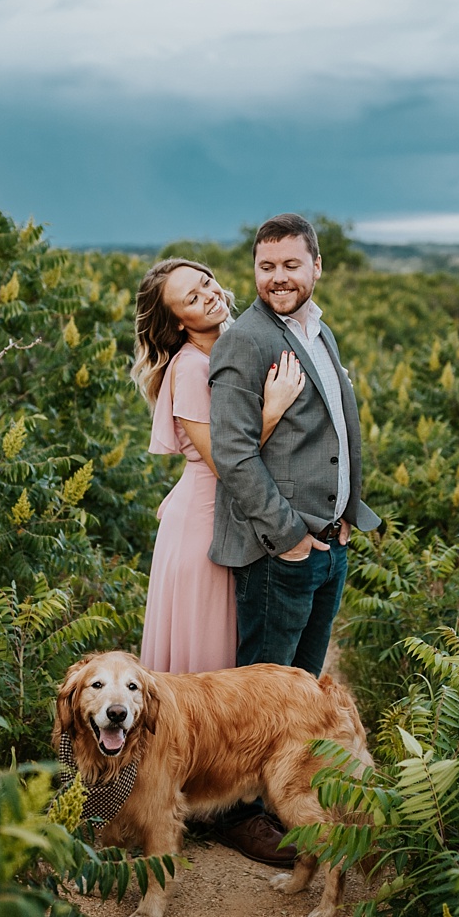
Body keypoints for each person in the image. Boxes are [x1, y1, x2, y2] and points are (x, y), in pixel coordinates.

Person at [204, 213, 380, 863]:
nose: (278, 277)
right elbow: (234, 454)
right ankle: (239, 813)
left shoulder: (318, 329)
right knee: (261, 693)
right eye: (266, 266)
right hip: (283, 553)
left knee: (302, 687)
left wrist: (345, 521)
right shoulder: (244, 342)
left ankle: (290, 793)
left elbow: (334, 430)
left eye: (290, 265)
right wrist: (290, 539)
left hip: (329, 544)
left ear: (315, 266)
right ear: (255, 270)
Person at [131, 257, 306, 676]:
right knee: (209, 664)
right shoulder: (191, 368)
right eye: (192, 298)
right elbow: (226, 459)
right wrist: (274, 409)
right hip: (203, 526)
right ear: (177, 322)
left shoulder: (232, 345)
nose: (209, 295)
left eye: (206, 282)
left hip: (224, 509)